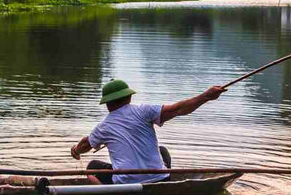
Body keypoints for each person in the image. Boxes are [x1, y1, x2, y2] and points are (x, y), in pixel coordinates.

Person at [70, 79, 225, 184]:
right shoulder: (144, 111)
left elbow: (85, 144)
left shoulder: (103, 127)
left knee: (92, 166)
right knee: (163, 151)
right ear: (129, 97)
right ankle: (163, 185)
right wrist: (206, 96)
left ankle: (106, 194)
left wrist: (76, 150)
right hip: (160, 179)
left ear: (107, 104)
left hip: (126, 184)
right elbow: (178, 109)